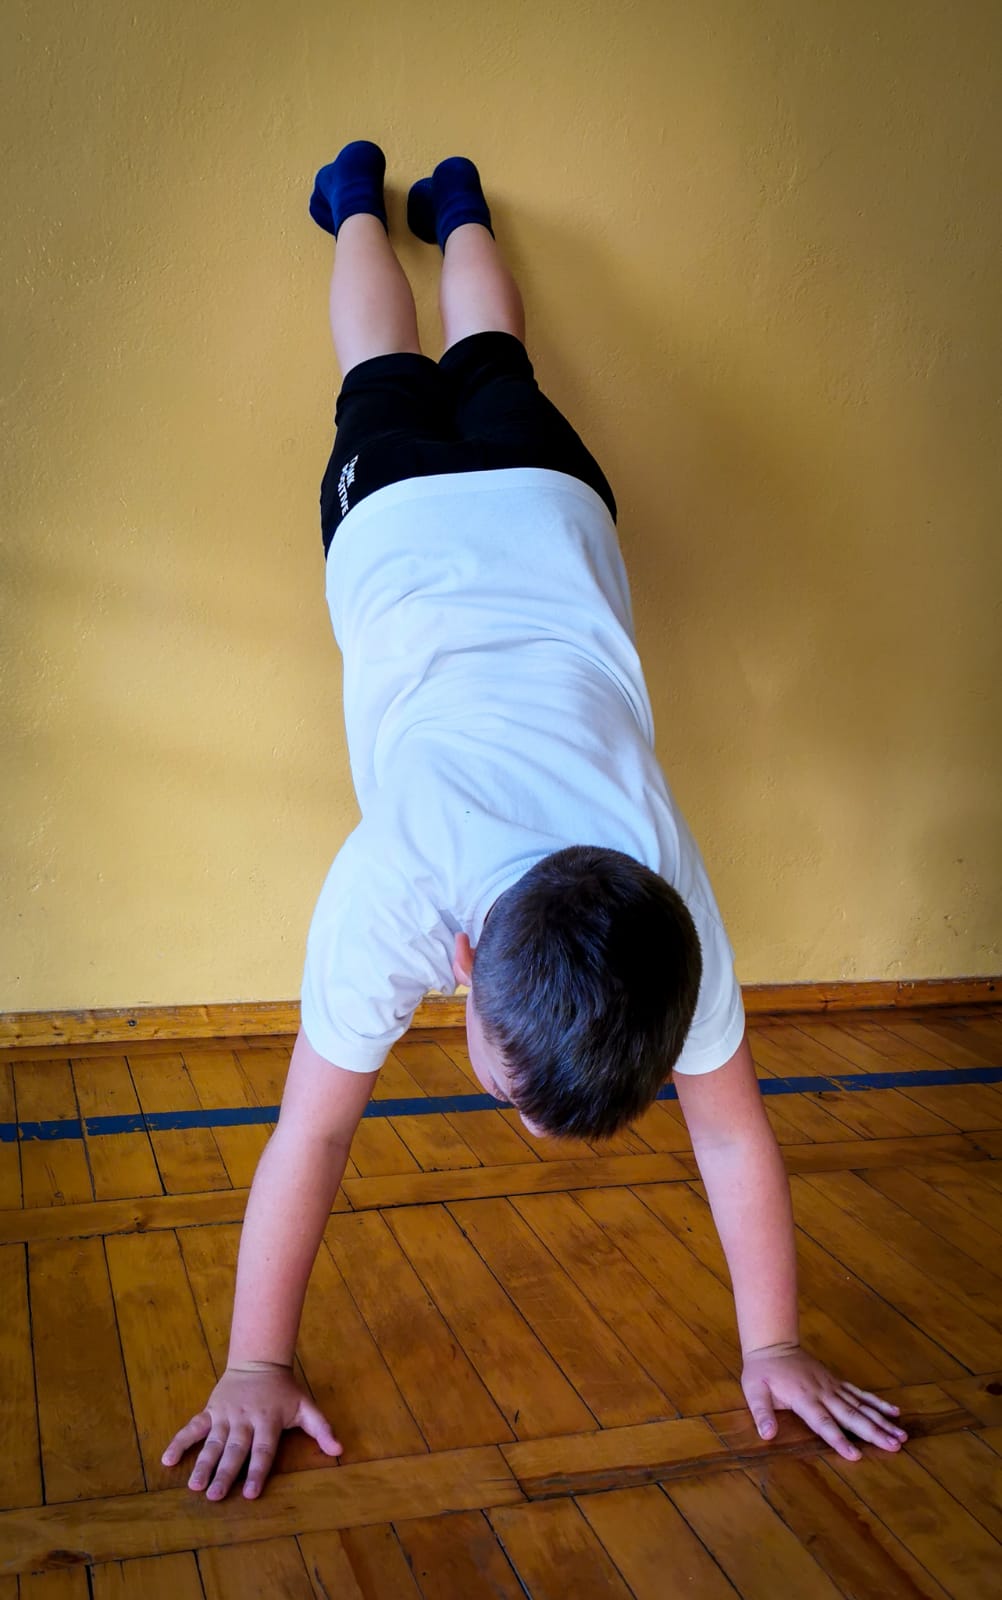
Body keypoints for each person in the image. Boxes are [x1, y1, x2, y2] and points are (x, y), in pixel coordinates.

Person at [162, 142, 907, 1501]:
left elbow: (730, 1132)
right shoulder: (396, 884)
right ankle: (352, 202)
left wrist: (778, 1343)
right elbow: (310, 1136)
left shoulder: (666, 892)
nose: (513, 1117)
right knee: (380, 371)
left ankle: (456, 208)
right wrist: (252, 1362)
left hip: (554, 508)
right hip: (395, 522)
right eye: (507, 1090)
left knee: (494, 363)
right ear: (456, 963)